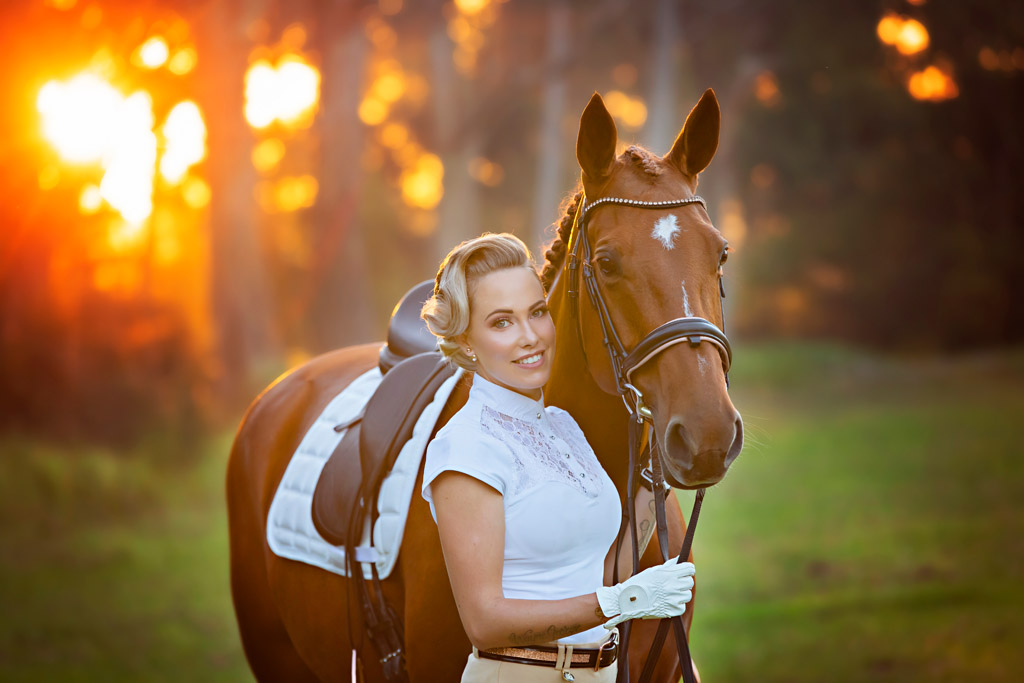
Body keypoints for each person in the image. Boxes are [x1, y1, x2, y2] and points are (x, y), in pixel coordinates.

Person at [420, 233, 695, 682]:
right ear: (467, 340)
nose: (531, 337)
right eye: (502, 322)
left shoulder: (562, 426)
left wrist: (654, 471)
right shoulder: (466, 446)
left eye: (537, 312)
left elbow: (599, 574)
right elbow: (484, 621)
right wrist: (624, 601)